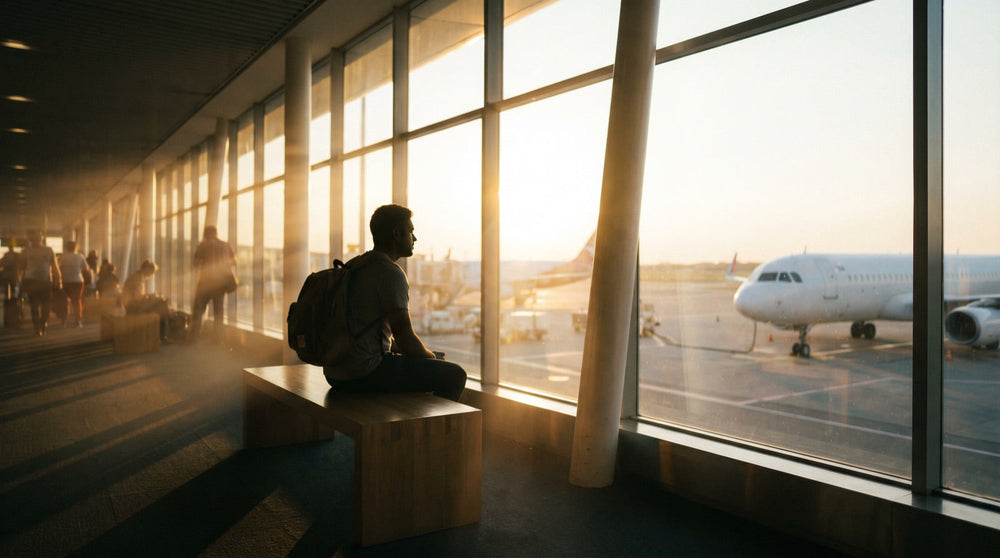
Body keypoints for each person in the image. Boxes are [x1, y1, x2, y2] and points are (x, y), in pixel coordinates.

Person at [322, 204, 466, 402]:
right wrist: (431, 358)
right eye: (410, 231)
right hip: (363, 373)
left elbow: (369, 335)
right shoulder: (390, 273)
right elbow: (406, 338)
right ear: (397, 234)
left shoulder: (355, 265)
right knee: (454, 375)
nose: (415, 238)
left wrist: (423, 356)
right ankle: (426, 430)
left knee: (415, 366)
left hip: (334, 372)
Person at [190, 225, 236, 341]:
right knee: (218, 312)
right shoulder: (226, 245)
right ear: (216, 233)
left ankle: (194, 336)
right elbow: (233, 262)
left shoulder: (203, 245)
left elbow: (195, 263)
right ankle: (217, 339)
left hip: (205, 283)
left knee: (198, 310)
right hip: (220, 284)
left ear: (206, 234)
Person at [18, 230, 61, 336]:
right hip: (31, 281)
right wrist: (18, 281)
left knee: (46, 306)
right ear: (31, 238)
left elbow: (55, 266)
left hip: (45, 281)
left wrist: (58, 279)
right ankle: (37, 327)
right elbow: (20, 268)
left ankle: (43, 321)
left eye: (39, 236)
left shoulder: (48, 250)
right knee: (34, 306)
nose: (37, 238)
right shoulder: (26, 251)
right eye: (35, 236)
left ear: (42, 237)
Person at [122, 258, 170, 339]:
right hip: (133, 308)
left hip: (130, 306)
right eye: (151, 272)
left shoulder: (136, 276)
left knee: (160, 303)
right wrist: (150, 296)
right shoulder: (138, 279)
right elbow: (138, 297)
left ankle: (163, 334)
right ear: (146, 269)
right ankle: (163, 334)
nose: (151, 275)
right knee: (162, 304)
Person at [58, 240, 89, 327]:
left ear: (66, 248)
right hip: (77, 281)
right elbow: (86, 269)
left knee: (64, 301)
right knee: (76, 301)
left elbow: (59, 268)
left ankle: (63, 321)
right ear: (76, 247)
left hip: (65, 281)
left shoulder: (63, 257)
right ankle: (78, 320)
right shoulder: (80, 256)